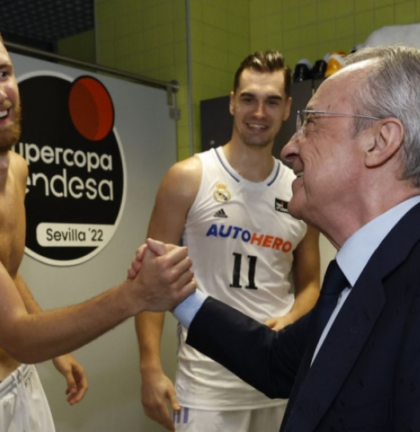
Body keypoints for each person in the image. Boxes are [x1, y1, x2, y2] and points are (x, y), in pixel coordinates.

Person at [132, 46, 420, 431]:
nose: (289, 148)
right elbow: (275, 361)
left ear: (380, 142)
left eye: (310, 123)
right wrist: (180, 296)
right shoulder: (364, 272)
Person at [0, 6, 196, 432]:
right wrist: (135, 295)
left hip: (21, 378)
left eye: (2, 72)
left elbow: (2, 270)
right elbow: (18, 334)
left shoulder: (16, 170)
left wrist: (56, 350)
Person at [134, 51, 321, 432]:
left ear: (288, 108)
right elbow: (149, 283)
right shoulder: (187, 178)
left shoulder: (301, 190)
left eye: (272, 102)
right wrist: (149, 366)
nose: (259, 112)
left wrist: (290, 319)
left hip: (278, 382)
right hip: (206, 389)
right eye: (249, 98)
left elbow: (310, 284)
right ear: (233, 101)